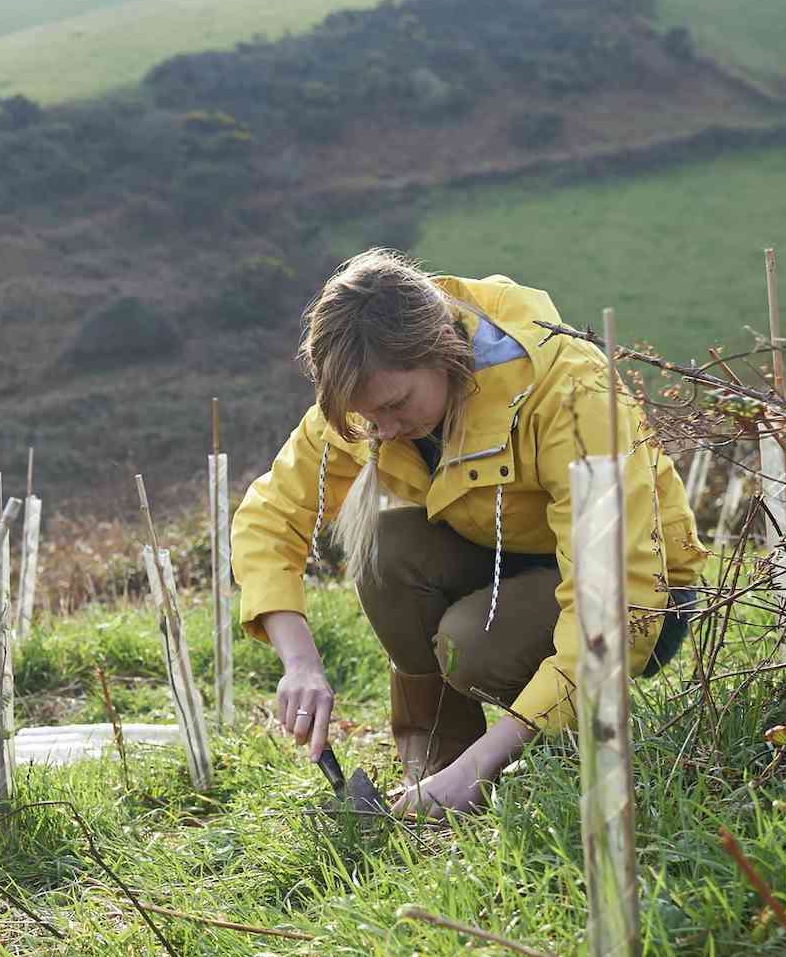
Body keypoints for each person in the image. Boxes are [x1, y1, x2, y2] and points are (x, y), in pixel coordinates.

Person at [232, 249, 704, 816]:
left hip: (642, 596)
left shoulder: (569, 391)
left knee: (470, 643)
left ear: (443, 353)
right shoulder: (373, 398)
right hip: (512, 558)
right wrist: (300, 663)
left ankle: (531, 762)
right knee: (388, 550)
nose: (382, 431)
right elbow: (269, 515)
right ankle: (434, 773)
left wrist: (483, 766)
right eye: (367, 418)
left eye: (396, 405)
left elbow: (618, 609)